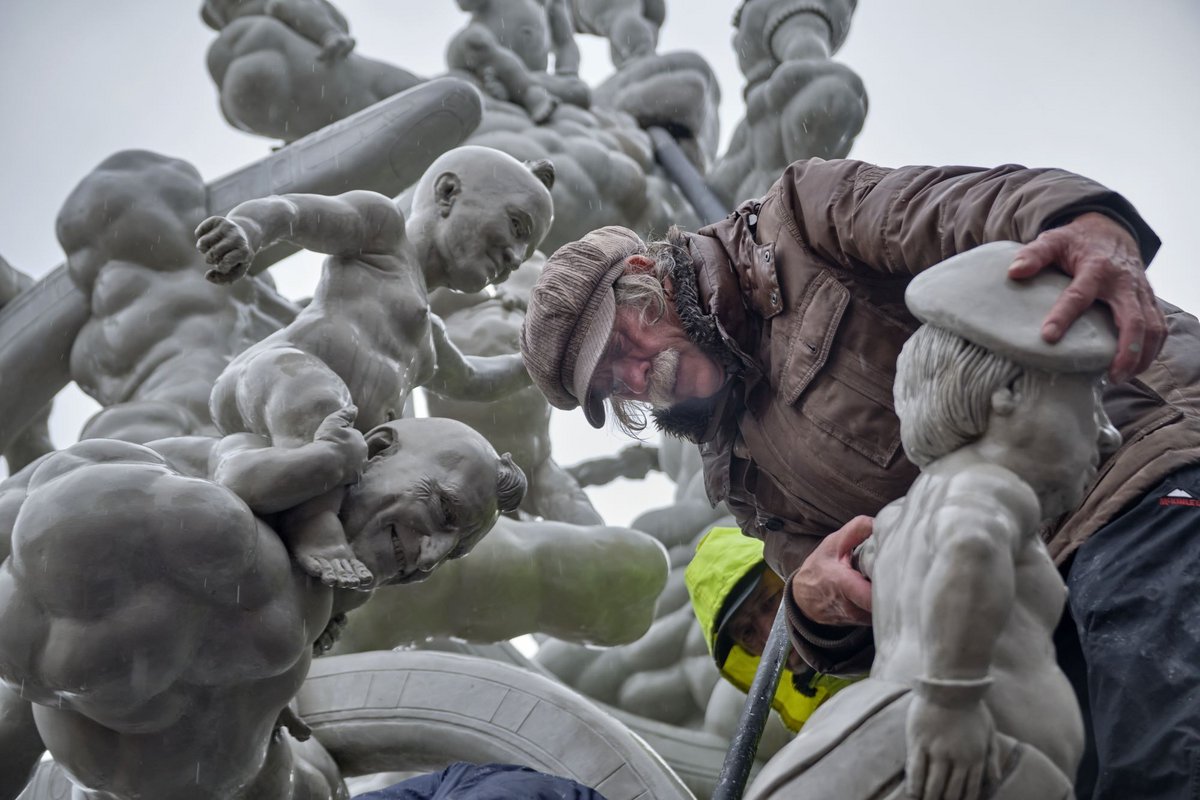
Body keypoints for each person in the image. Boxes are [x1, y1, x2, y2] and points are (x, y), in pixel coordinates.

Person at [520, 157, 1200, 798]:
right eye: (615, 385)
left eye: (621, 348)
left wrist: (1083, 224)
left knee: (1159, 747)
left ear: (646, 275)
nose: (637, 378)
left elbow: (956, 209)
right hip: (1018, 594)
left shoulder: (797, 221)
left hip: (1130, 459)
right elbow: (855, 617)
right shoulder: (739, 474)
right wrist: (810, 610)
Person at [0, 417, 526, 800]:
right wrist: (328, 461)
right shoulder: (272, 456)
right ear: (377, 448)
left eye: (451, 552)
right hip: (69, 627)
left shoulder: (338, 592)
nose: (428, 554)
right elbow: (237, 467)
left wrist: (264, 691)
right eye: (441, 509)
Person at [195, 145, 553, 588]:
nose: (517, 257)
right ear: (447, 193)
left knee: (364, 481)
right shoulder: (381, 235)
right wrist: (247, 230)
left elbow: (476, 380)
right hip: (269, 379)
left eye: (526, 248)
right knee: (322, 399)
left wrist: (539, 362)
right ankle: (314, 527)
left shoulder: (427, 341)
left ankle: (318, 581)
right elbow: (294, 212)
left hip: (317, 455)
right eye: (516, 227)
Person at [685, 526, 853, 732]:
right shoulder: (824, 721)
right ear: (746, 651)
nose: (768, 633)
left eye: (769, 601)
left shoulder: (880, 603)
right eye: (747, 632)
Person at [447, 0, 590, 124]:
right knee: (473, 38)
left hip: (532, 74)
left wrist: (567, 73)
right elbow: (466, 3)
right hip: (484, 56)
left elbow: (566, 43)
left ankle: (512, 84)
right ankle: (528, 92)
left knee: (581, 92)